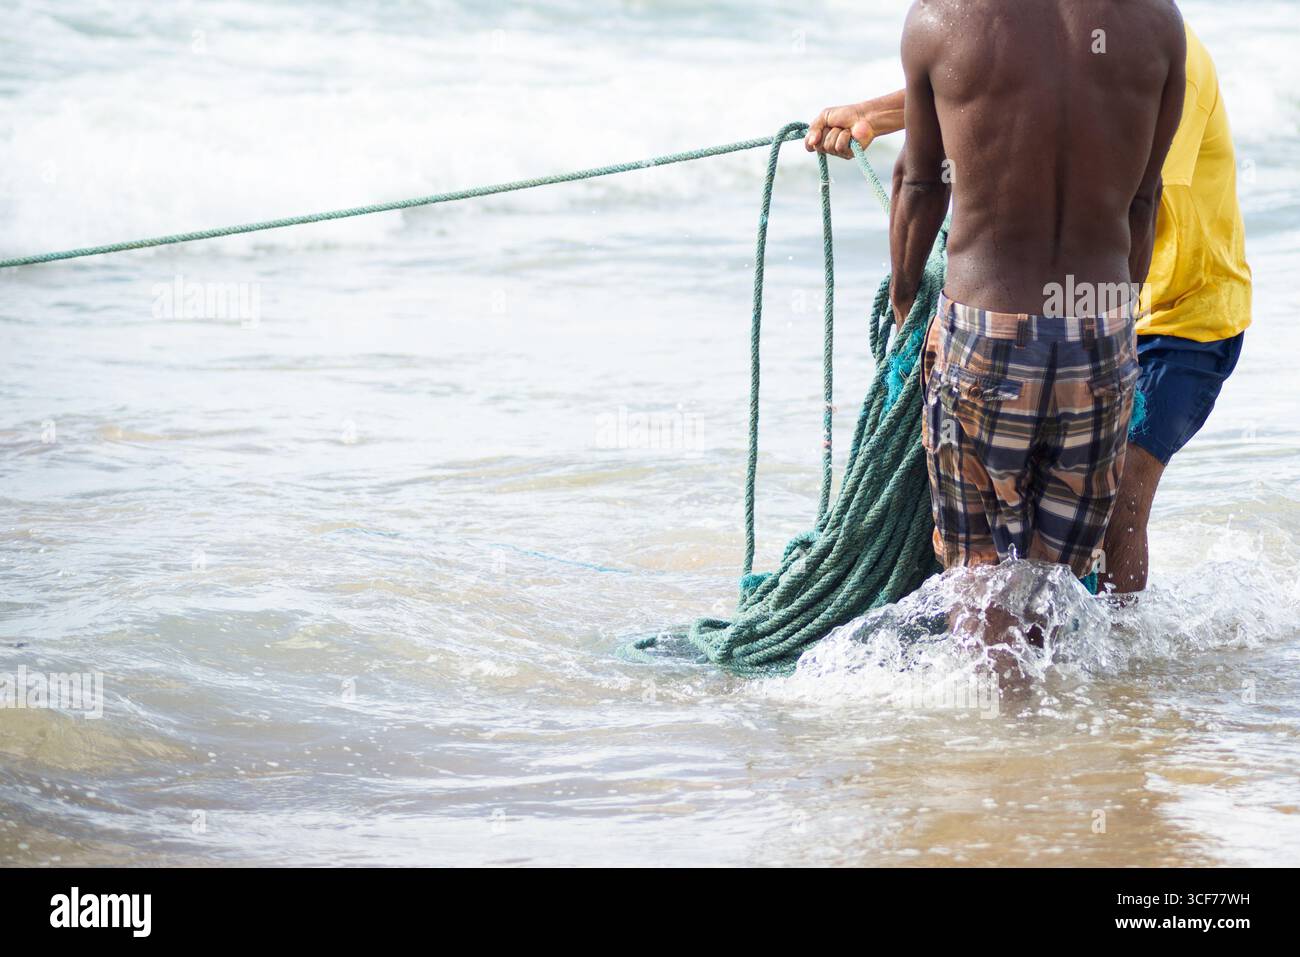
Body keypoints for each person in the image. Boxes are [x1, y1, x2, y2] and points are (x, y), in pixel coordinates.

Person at [807, 16, 1249, 597]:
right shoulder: (1137, 29)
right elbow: (1014, 87)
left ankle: (1121, 663)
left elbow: (1117, 182)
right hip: (1100, 318)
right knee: (1052, 555)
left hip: (1181, 317)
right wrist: (882, 114)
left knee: (1119, 513)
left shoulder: (1165, 54)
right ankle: (1063, 662)